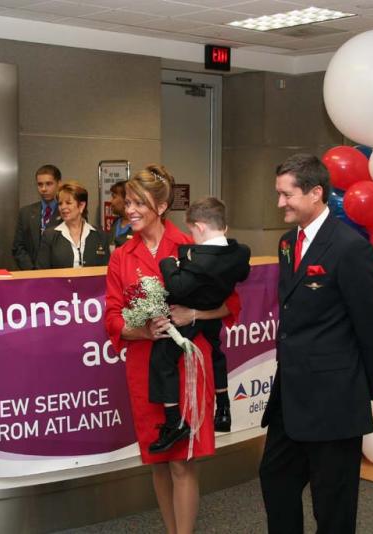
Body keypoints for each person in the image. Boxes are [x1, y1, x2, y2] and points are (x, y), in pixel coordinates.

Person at [259, 153, 373, 534]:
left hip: (334, 397)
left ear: (316, 193)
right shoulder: (288, 242)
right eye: (279, 194)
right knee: (275, 478)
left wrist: (363, 387)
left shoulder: (350, 247)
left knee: (332, 501)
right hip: (291, 393)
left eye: (287, 195)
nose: (280, 203)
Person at [104, 165, 239, 534]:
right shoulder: (121, 256)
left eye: (139, 203)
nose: (129, 210)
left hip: (186, 366)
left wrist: (192, 313)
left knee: (181, 461)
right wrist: (142, 330)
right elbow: (112, 317)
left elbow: (231, 306)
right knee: (158, 460)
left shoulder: (190, 247)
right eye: (127, 203)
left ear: (162, 207)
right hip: (143, 367)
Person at [149, 197, 250, 453]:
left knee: (162, 359)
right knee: (216, 354)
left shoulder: (201, 259)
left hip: (188, 316)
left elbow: (177, 286)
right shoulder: (239, 252)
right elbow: (243, 274)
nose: (191, 237)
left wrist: (169, 263)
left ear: (200, 227)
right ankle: (224, 407)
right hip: (213, 317)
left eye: (192, 231)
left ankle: (173, 421)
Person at [37, 181, 111, 269]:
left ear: (81, 206)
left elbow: (107, 271)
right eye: (60, 203)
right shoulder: (49, 235)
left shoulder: (100, 235)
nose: (63, 207)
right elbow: (41, 272)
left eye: (68, 203)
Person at [12, 164, 63, 270]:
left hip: (58, 274)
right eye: (40, 184)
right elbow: (18, 247)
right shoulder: (25, 212)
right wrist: (32, 271)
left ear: (59, 184)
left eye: (49, 184)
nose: (44, 189)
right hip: (30, 273)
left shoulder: (67, 212)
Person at [108, 180, 133, 248]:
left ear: (126, 199)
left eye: (114, 197)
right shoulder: (115, 223)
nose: (110, 201)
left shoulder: (139, 227)